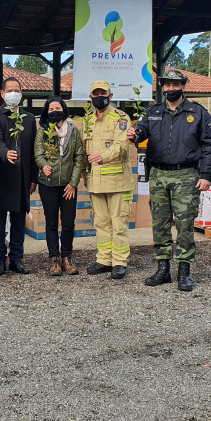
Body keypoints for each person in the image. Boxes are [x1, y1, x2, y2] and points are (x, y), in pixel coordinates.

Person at [129, 69, 211, 291]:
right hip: (158, 174)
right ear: (162, 87)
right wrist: (134, 134)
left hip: (186, 175)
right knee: (159, 224)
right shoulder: (152, 112)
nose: (170, 89)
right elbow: (141, 131)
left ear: (183, 87)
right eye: (166, 85)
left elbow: (209, 145)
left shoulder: (197, 113)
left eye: (174, 85)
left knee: (185, 224)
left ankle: (184, 272)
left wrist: (206, 175)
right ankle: (163, 270)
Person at [83, 81, 135, 280]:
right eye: (95, 93)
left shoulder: (120, 118)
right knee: (101, 223)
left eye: (102, 93)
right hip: (95, 182)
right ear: (90, 97)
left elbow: (122, 146)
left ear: (110, 95)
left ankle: (120, 262)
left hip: (117, 181)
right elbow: (83, 149)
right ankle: (104, 260)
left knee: (118, 223)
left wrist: (102, 156)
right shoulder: (87, 120)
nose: (99, 96)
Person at [0, 77, 37, 275]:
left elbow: (34, 150)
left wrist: (34, 178)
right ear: (2, 94)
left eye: (17, 90)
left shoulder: (30, 118)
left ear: (22, 94)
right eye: (9, 90)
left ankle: (16, 259)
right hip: (1, 176)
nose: (13, 93)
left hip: (23, 177)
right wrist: (5, 153)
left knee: (18, 221)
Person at [34, 96, 85, 276]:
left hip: (68, 186)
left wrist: (73, 183)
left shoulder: (73, 130)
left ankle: (67, 258)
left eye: (57, 108)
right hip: (48, 184)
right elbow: (38, 154)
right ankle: (54, 259)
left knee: (69, 222)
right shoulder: (43, 131)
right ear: (47, 113)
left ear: (63, 109)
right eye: (51, 109)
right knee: (51, 222)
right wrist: (43, 165)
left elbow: (79, 157)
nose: (54, 111)